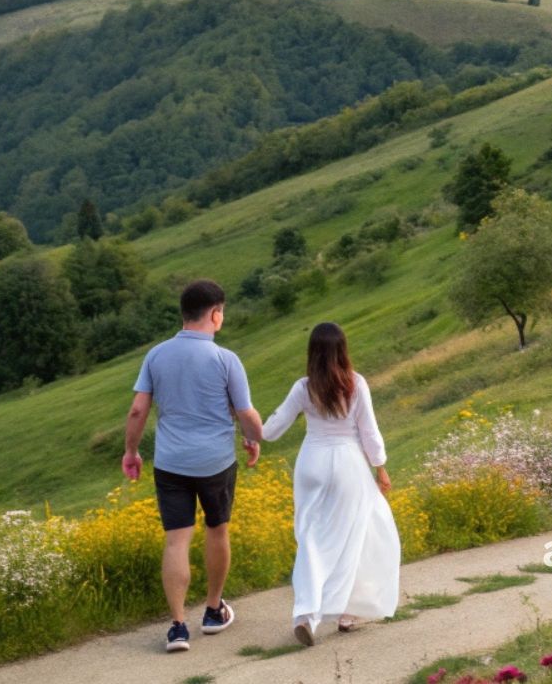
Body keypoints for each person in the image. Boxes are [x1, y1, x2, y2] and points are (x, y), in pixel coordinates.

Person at [122, 279, 264, 654]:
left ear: (184, 313)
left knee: (176, 539)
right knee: (217, 530)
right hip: (216, 462)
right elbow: (245, 412)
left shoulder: (156, 356)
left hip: (171, 463)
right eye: (222, 313)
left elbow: (137, 410)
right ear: (215, 314)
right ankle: (213, 611)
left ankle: (177, 626)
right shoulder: (225, 359)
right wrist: (254, 438)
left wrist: (131, 451)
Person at [261, 321, 400, 647]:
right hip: (348, 464)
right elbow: (369, 432)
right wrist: (380, 467)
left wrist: (252, 427)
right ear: (342, 350)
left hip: (312, 463)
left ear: (312, 352)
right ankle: (347, 612)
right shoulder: (355, 384)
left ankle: (305, 615)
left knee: (311, 538)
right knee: (355, 535)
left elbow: (273, 429)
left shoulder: (303, 388)